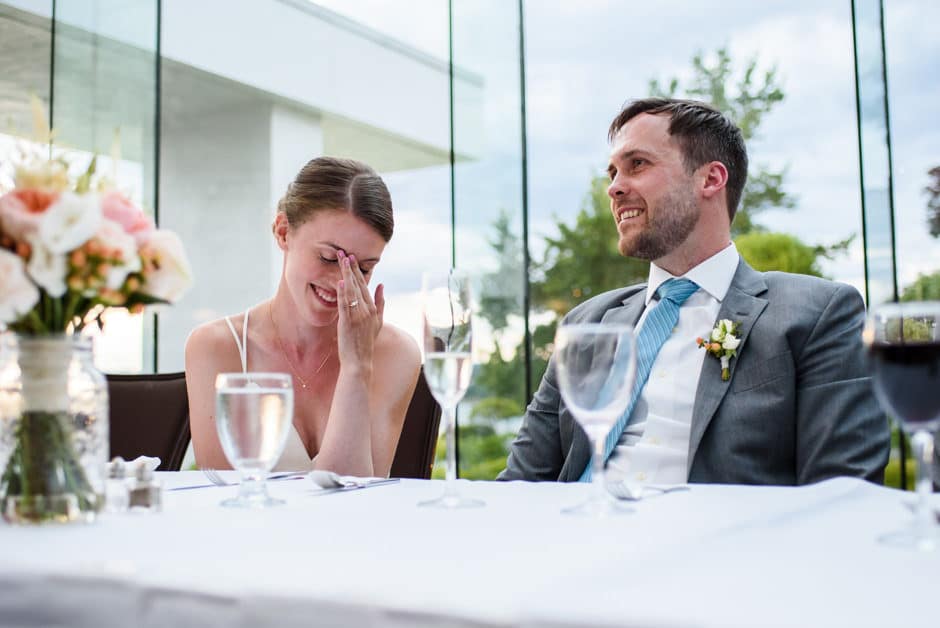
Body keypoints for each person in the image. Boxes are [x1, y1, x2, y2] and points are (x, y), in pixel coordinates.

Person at [499, 98, 889, 485]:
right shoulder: (587, 322)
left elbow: (843, 488)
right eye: (613, 172)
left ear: (711, 179)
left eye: (638, 164)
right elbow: (520, 482)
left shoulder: (818, 312)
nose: (614, 188)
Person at [186, 157, 421, 476]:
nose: (342, 282)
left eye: (363, 268)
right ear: (283, 232)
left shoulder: (394, 354)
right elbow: (227, 500)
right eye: (328, 258)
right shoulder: (215, 348)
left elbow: (354, 498)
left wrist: (356, 367)